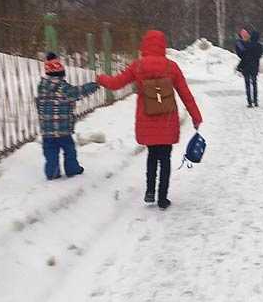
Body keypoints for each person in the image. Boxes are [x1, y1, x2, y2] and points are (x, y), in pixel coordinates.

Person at [97, 30, 203, 210]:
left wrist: (100, 78)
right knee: (166, 158)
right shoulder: (172, 67)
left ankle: (150, 191)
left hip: (147, 119)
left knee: (152, 155)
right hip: (168, 120)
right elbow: (185, 94)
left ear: (144, 45)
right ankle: (163, 197)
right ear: (162, 45)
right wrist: (196, 116)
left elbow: (116, 83)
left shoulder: (137, 66)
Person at [36, 52, 100, 180]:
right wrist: (95, 85)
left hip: (47, 131)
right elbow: (79, 91)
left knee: (50, 153)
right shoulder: (63, 88)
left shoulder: (41, 87)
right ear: (61, 74)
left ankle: (52, 172)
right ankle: (72, 169)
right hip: (63, 130)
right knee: (69, 150)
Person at [239, 31, 263, 108]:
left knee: (247, 85)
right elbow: (259, 55)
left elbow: (243, 55)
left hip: (246, 67)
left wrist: (240, 65)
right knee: (254, 83)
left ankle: (249, 102)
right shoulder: (259, 46)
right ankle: (255, 101)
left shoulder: (247, 45)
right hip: (255, 67)